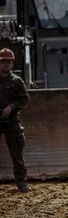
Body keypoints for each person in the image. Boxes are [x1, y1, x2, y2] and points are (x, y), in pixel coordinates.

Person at [0, 48, 30, 192]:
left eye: (8, 62)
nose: (6, 64)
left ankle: (22, 182)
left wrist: (11, 107)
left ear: (12, 64)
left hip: (12, 122)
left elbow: (24, 100)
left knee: (17, 153)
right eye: (3, 62)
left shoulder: (17, 81)